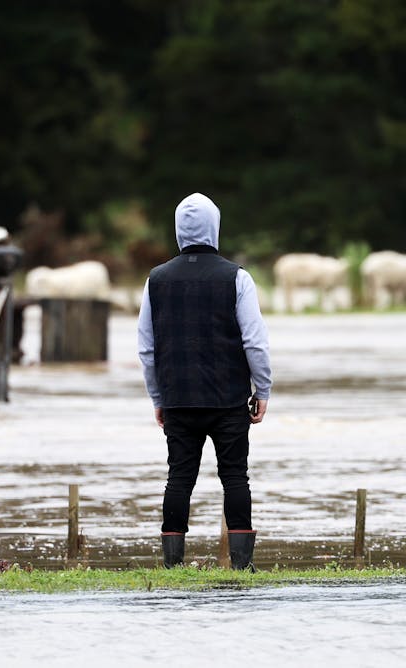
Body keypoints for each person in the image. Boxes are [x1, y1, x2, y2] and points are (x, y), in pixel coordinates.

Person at [137, 192, 271, 570]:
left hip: (178, 398)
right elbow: (255, 342)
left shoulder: (155, 280)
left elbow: (146, 349)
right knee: (234, 477)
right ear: (215, 227)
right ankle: (243, 566)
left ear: (178, 230)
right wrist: (262, 390)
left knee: (178, 477)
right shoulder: (237, 278)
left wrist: (157, 397)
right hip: (229, 399)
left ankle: (172, 565)